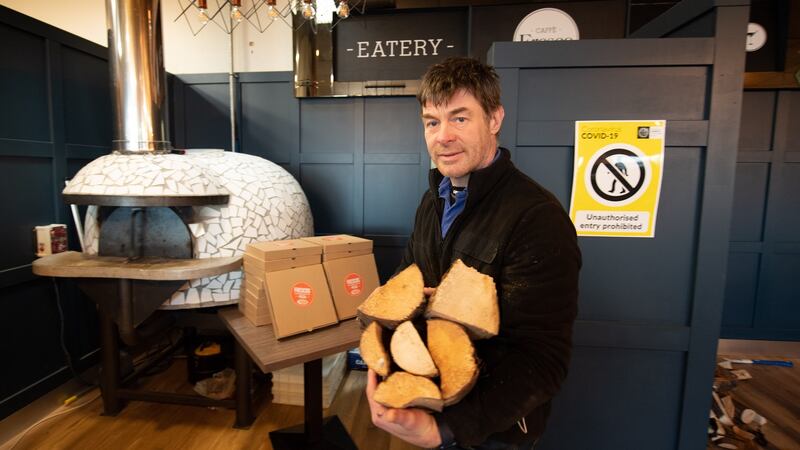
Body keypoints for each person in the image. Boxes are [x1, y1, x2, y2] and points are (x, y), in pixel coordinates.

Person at [365, 57, 581, 449]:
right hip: (430, 404)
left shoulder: (537, 217)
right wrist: (383, 356)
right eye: (432, 122)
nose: (442, 136)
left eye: (460, 118)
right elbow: (404, 282)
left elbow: (542, 359)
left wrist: (448, 431)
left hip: (493, 430)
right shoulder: (431, 202)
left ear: (495, 119)